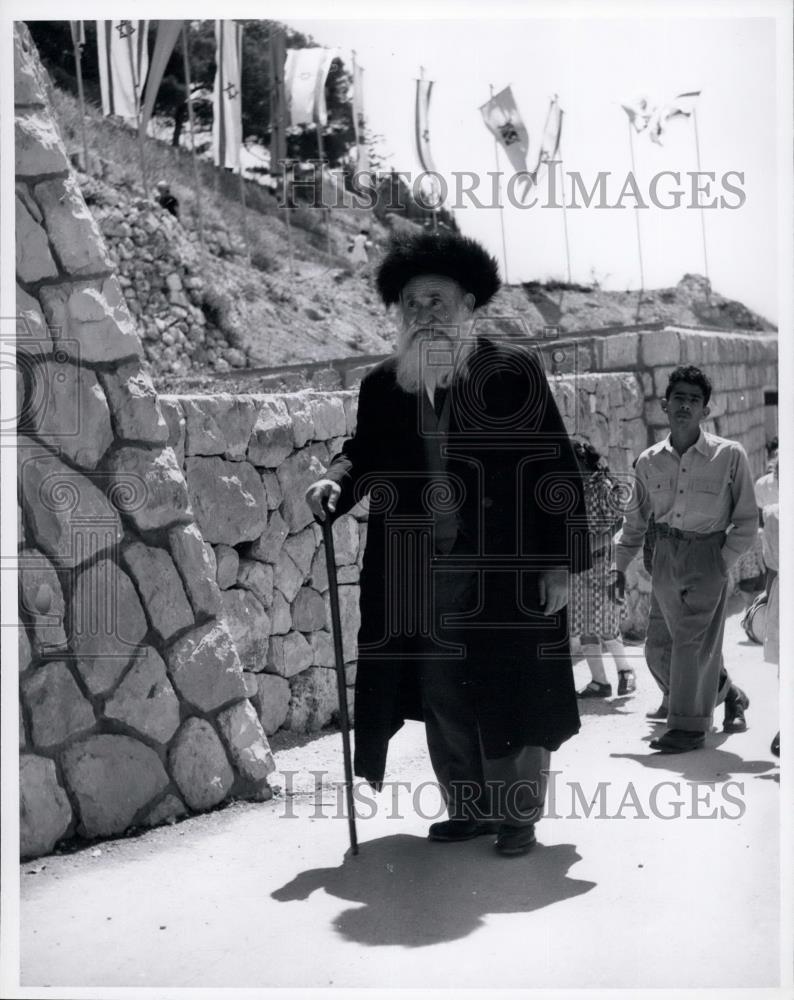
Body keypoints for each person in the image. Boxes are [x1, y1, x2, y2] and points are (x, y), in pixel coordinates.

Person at [306, 230, 590, 856]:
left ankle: (517, 813)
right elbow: (364, 455)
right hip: (419, 569)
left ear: (467, 304)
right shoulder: (385, 385)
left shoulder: (511, 370)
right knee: (440, 687)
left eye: (437, 300)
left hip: (505, 568)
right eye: (411, 303)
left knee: (508, 685)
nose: (424, 314)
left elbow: (555, 469)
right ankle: (469, 806)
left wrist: (559, 564)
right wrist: (334, 480)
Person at [610, 365, 758, 753]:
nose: (686, 405)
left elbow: (745, 520)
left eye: (695, 399)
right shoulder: (648, 461)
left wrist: (721, 561)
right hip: (665, 558)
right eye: (679, 397)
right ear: (664, 405)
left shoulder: (730, 455)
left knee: (691, 644)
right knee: (663, 650)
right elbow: (635, 523)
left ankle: (688, 728)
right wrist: (618, 567)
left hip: (708, 554)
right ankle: (731, 694)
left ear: (705, 410)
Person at [568, 440, 637, 698]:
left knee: (606, 621)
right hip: (579, 566)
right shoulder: (572, 489)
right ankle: (599, 681)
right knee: (585, 624)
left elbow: (616, 523)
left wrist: (590, 544)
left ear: (584, 461)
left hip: (603, 563)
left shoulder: (602, 487)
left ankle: (625, 671)